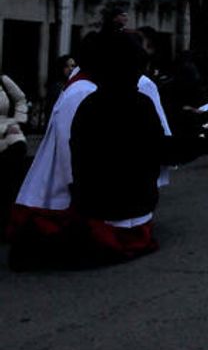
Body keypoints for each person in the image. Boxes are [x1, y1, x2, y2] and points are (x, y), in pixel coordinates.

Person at [9, 30, 173, 269]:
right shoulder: (83, 92)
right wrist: (79, 194)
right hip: (73, 188)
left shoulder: (106, 90)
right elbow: (70, 150)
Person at [0, 72, 30, 233]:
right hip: (4, 131)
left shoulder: (3, 80)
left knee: (9, 186)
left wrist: (18, 121)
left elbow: (20, 99)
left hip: (9, 140)